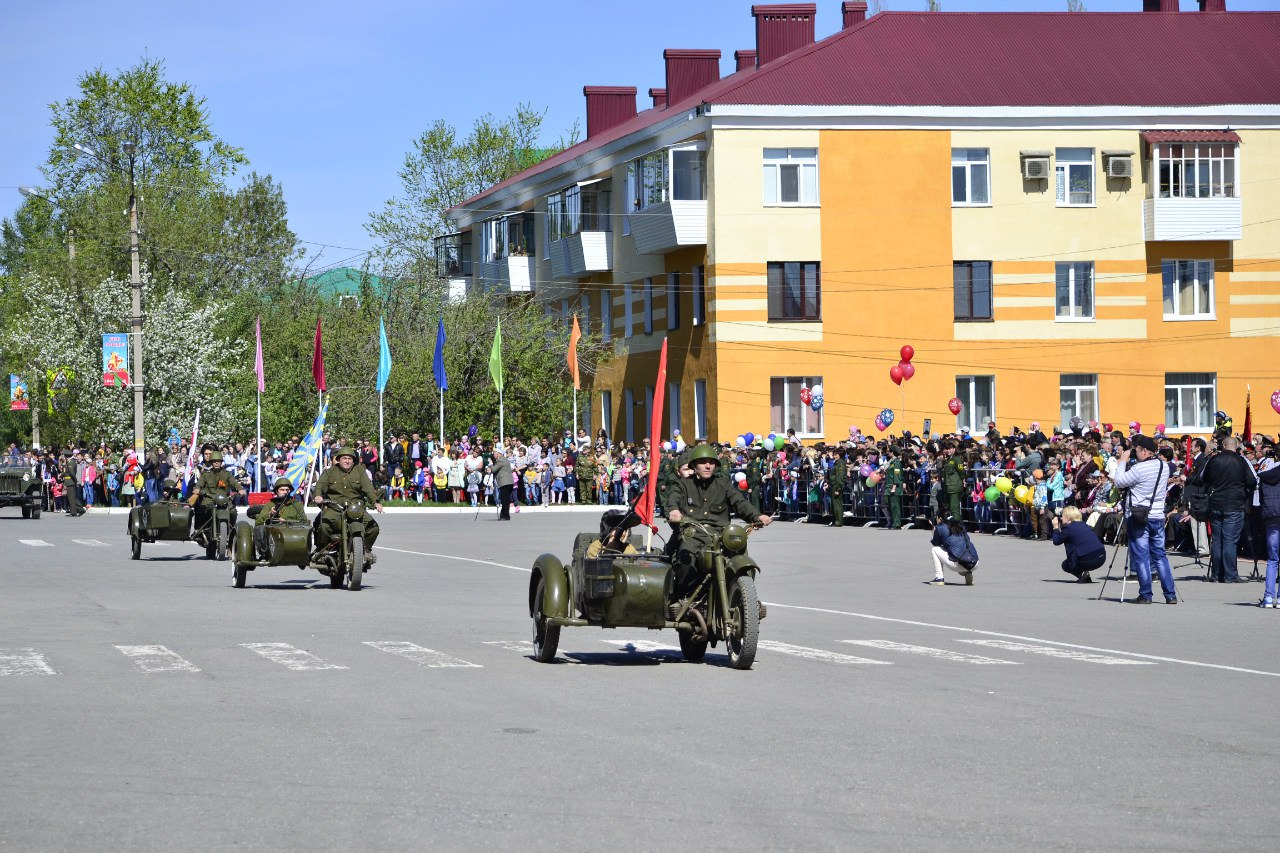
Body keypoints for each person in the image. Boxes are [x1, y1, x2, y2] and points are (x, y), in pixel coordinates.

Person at [665, 444, 773, 574]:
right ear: (694, 465)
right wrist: (674, 510)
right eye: (703, 462)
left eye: (711, 462)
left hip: (721, 536)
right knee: (685, 563)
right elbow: (674, 497)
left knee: (739, 560)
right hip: (693, 536)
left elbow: (739, 502)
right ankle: (684, 588)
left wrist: (757, 516)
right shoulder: (684, 484)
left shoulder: (723, 483)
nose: (708, 466)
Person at [1112, 436, 1176, 604]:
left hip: (1138, 516)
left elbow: (1119, 482)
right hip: (1157, 515)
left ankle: (1146, 594)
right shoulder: (1163, 466)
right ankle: (1170, 594)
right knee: (1160, 556)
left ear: (1145, 451)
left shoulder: (1139, 469)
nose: (1136, 453)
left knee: (1141, 556)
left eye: (1138, 450)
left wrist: (1123, 461)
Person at [1200, 436, 1257, 583]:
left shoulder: (1213, 459)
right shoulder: (1241, 460)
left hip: (1216, 503)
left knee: (1217, 540)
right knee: (1230, 540)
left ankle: (1216, 574)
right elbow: (1252, 481)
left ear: (1223, 445)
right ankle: (1230, 575)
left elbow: (1203, 477)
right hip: (1234, 505)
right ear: (1235, 446)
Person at [312, 446, 383, 553]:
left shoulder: (359, 471)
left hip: (355, 508)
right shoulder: (330, 472)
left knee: (373, 528)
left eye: (350, 459)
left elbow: (368, 488)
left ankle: (365, 550)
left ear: (353, 460)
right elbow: (320, 485)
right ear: (338, 460)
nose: (347, 461)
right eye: (344, 458)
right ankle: (323, 551)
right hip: (334, 508)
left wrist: (376, 502)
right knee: (324, 526)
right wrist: (318, 496)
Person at [188, 450, 242, 533]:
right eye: (214, 461)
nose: (216, 463)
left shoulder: (227, 474)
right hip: (209, 500)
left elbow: (234, 483)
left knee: (233, 512)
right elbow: (199, 484)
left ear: (221, 463)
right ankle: (201, 530)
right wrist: (197, 489)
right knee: (202, 511)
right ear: (211, 462)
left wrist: (240, 489)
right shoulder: (206, 474)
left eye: (218, 461)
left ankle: (231, 529)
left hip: (224, 500)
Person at [1050, 505, 1107, 583]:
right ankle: (1085, 576)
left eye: (1062, 516)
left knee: (1066, 564)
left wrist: (1055, 527)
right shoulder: (1084, 524)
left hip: (1090, 559)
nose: (1061, 518)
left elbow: (1056, 541)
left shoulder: (1069, 528)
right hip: (1102, 556)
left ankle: (1081, 574)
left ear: (1068, 518)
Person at [254, 477, 307, 557]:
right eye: (282, 490)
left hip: (293, 535)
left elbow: (304, 521)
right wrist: (269, 514)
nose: (285, 492)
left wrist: (285, 521)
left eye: (287, 490)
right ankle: (265, 554)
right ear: (276, 491)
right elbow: (258, 522)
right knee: (260, 529)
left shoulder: (297, 505)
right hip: (273, 537)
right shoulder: (270, 505)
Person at [928, 511, 979, 586]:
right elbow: (967, 541)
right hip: (974, 563)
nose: (936, 520)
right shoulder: (960, 524)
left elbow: (936, 543)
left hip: (957, 564)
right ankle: (967, 572)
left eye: (937, 518)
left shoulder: (940, 528)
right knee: (962, 548)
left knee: (935, 549)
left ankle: (939, 578)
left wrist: (933, 530)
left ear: (940, 518)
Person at [1257, 459, 1280, 608]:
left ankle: (1269, 597)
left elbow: (1261, 498)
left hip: (1271, 516)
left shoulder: (1265, 475)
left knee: (1272, 559)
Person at [490, 448, 515, 520]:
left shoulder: (500, 460)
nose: (493, 455)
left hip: (504, 482)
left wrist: (490, 464)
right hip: (509, 481)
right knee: (506, 499)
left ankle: (506, 516)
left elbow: (494, 469)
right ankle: (503, 515)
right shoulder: (505, 459)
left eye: (494, 454)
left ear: (497, 454)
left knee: (504, 500)